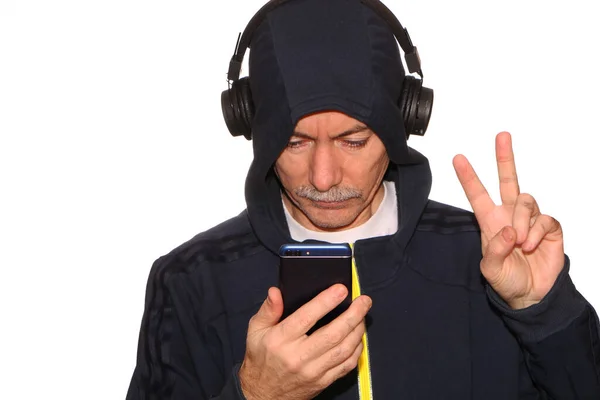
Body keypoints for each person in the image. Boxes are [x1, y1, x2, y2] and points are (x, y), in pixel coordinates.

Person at [126, 0, 600, 398]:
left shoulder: (488, 258)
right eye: (295, 143)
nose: (325, 177)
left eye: (353, 141)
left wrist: (546, 313)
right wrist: (253, 394)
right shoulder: (190, 282)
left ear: (401, 128)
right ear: (254, 131)